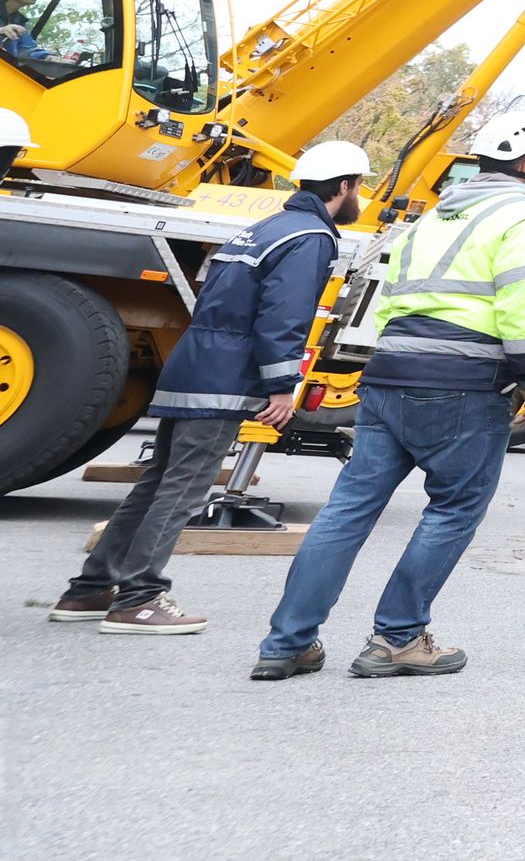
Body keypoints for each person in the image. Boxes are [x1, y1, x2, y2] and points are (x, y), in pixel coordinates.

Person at [254, 119, 525, 680]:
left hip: (388, 375)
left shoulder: (432, 218)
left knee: (347, 511)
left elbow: (390, 299)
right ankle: (398, 637)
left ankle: (287, 643)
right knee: (454, 508)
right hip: (465, 384)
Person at [54, 143, 360, 634]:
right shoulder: (311, 236)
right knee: (184, 487)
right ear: (345, 186)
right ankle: (139, 598)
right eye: (357, 187)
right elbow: (285, 315)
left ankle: (90, 589)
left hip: (194, 365)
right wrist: (282, 386)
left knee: (158, 482)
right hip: (223, 379)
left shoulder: (263, 229)